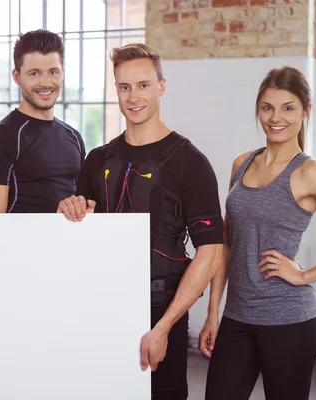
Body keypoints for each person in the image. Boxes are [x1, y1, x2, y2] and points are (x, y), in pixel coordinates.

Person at [57, 43, 224, 399]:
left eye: (144, 85)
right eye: (124, 87)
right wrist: (68, 211)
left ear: (161, 86)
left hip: (162, 311)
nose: (134, 97)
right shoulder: (97, 159)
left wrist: (163, 328)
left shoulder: (189, 162)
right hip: (102, 309)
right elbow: (78, 237)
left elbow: (210, 253)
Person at [200, 66, 316, 400]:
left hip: (290, 323)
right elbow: (226, 243)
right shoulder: (242, 163)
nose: (276, 117)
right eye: (267, 107)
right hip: (237, 318)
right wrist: (212, 313)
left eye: (288, 107)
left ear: (306, 111)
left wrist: (304, 275)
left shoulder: (311, 173)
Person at [0, 29, 85, 213]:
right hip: (20, 243)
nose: (45, 82)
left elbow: (81, 206)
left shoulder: (73, 137)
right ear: (17, 76)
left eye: (53, 72)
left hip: (67, 242)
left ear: (62, 73)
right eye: (34, 73)